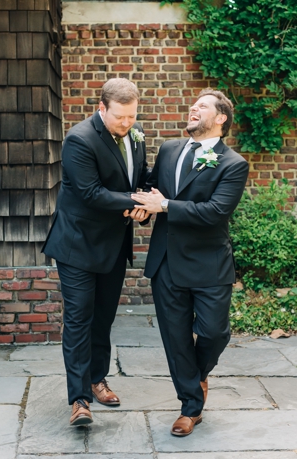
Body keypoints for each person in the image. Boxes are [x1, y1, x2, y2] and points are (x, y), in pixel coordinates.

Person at [131, 89, 249, 437]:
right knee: (176, 338)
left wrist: (165, 206)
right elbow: (150, 190)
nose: (193, 108)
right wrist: (139, 208)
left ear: (221, 118)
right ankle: (190, 408)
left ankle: (197, 375)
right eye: (193, 104)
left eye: (202, 106)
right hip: (166, 262)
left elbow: (215, 213)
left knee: (214, 332)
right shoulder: (169, 150)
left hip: (209, 263)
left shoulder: (233, 164)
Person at [41, 77, 151, 426]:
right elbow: (92, 193)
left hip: (114, 246)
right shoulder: (79, 139)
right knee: (78, 320)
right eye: (120, 116)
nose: (127, 123)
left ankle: (97, 378)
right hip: (77, 246)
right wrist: (137, 201)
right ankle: (79, 400)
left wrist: (149, 199)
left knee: (102, 319)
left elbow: (138, 178)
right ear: (101, 108)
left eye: (132, 116)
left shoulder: (136, 136)